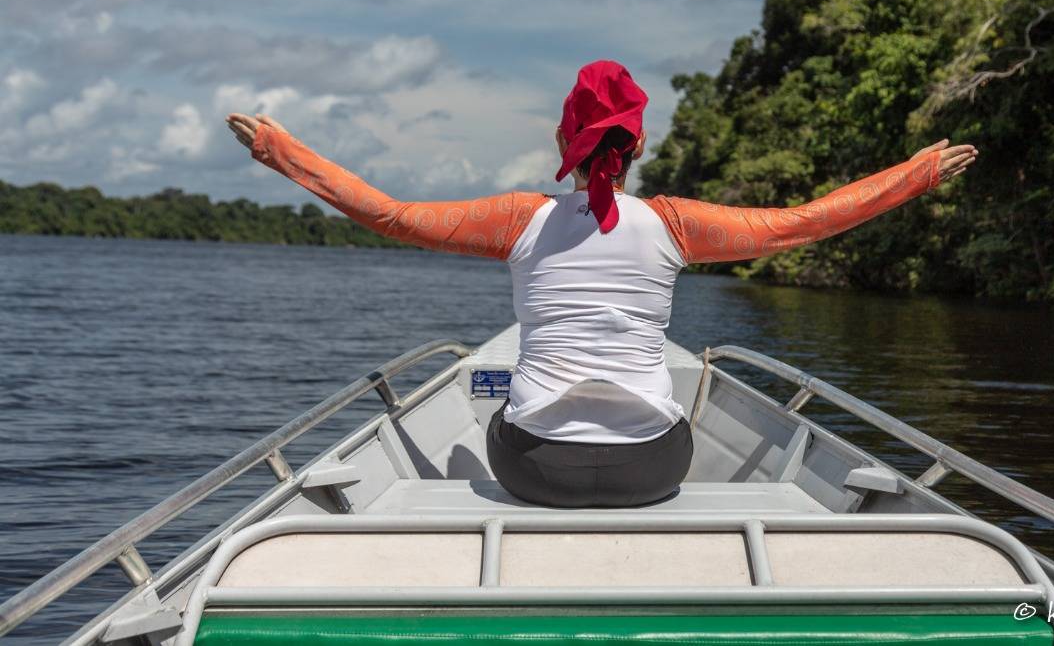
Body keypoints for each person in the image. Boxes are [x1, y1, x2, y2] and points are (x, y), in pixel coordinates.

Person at [226, 60, 976, 507]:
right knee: (666, 411)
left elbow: (389, 214)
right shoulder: (676, 224)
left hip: (533, 468)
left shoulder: (520, 220)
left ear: (564, 142)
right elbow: (797, 224)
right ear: (640, 140)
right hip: (654, 467)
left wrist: (280, 151)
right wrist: (911, 177)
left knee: (491, 425)